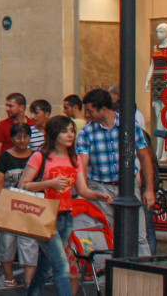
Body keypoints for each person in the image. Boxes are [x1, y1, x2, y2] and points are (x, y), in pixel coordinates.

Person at [18, 115, 111, 296]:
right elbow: (23, 185)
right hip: (44, 215)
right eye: (64, 131)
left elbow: (82, 190)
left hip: (66, 216)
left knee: (45, 266)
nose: (70, 135)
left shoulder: (74, 159)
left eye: (72, 131)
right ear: (54, 134)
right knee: (62, 266)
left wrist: (98, 195)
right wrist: (49, 183)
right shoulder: (40, 156)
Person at [77, 88, 154, 256]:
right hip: (100, 185)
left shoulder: (129, 126)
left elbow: (144, 156)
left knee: (139, 234)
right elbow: (82, 163)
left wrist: (149, 189)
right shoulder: (86, 132)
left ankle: (147, 272)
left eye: (90, 110)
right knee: (108, 232)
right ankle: (109, 274)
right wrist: (85, 190)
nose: (87, 114)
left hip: (127, 184)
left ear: (103, 109)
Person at [0, 122, 40, 288]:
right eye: (18, 137)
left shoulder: (36, 156)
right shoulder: (5, 157)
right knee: (7, 243)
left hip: (29, 206)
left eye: (26, 136)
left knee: (29, 244)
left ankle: (29, 280)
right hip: (8, 206)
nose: (22, 140)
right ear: (12, 138)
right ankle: (8, 276)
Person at [0, 93, 28, 163]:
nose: (7, 109)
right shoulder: (1, 126)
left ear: (22, 108)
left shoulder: (32, 125)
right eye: (6, 106)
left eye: (10, 106)